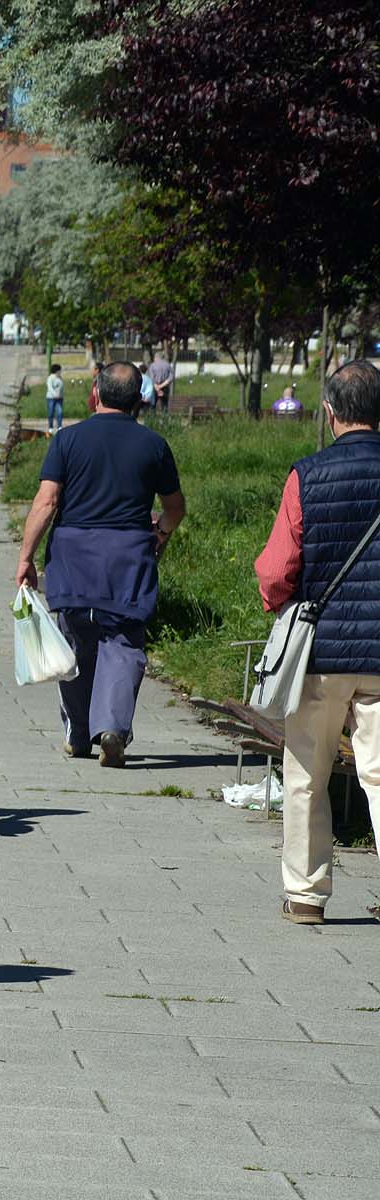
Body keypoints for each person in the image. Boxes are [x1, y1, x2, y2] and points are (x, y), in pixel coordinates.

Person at [255, 360, 380, 924]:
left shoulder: (307, 475)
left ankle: (305, 895)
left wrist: (278, 604)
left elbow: (278, 569)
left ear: (329, 412)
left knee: (307, 771)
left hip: (323, 653)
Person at [16, 362, 185, 769]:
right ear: (140, 398)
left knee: (74, 641)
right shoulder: (154, 445)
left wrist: (26, 557)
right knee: (123, 642)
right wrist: (160, 534)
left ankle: (77, 733)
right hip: (128, 554)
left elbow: (47, 501)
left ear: (96, 392)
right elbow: (175, 508)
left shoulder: (67, 439)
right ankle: (111, 727)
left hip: (73, 554)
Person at [46, 364, 67, 431]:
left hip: (59, 398)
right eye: (59, 370)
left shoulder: (60, 378)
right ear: (56, 371)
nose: (60, 371)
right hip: (51, 398)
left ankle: (59, 426)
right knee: (51, 412)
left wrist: (61, 394)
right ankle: (50, 427)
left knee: (60, 412)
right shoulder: (50, 378)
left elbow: (62, 387)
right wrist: (55, 394)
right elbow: (50, 387)